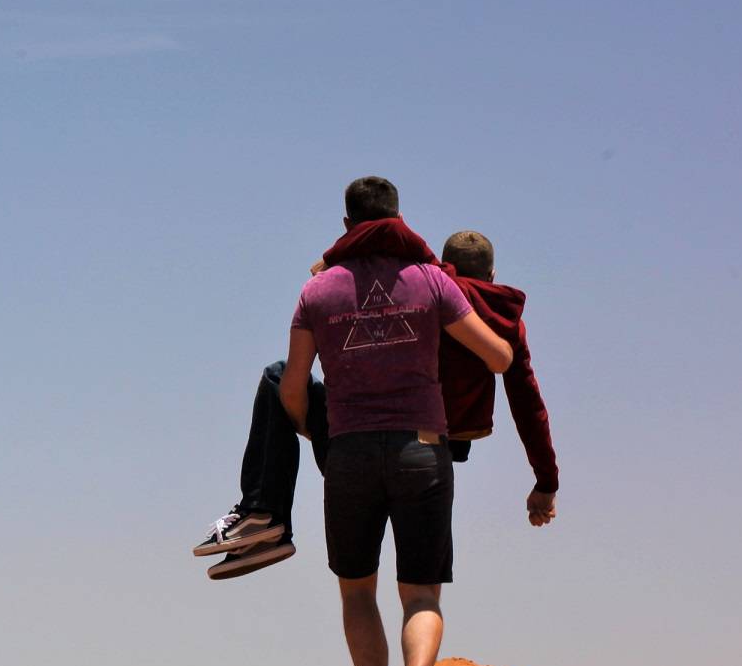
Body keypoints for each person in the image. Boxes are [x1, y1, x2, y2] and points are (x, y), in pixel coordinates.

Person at [235, 177, 514, 666]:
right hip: (423, 451)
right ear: (398, 219)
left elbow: (292, 385)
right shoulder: (431, 281)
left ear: (345, 227)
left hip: (350, 453)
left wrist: (321, 432)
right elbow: (498, 356)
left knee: (357, 594)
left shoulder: (318, 291)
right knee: (422, 596)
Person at [193, 225, 560, 581]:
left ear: (447, 267)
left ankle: (263, 513)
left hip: (357, 438)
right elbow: (529, 404)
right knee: (421, 590)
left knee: (280, 375)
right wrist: (546, 482)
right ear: (492, 275)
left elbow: (387, 233)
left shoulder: (430, 288)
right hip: (428, 461)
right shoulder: (506, 325)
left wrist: (335, 259)